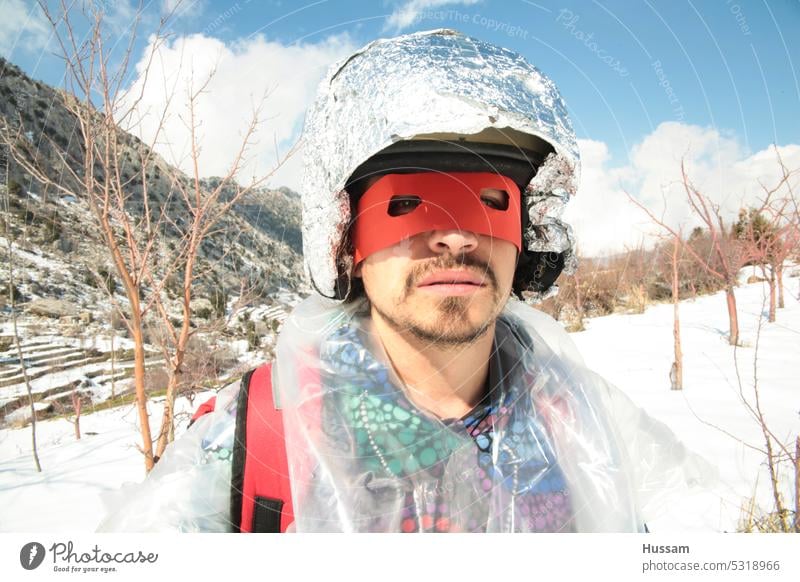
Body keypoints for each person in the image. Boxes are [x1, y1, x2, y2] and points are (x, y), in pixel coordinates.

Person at [97, 29, 713, 533]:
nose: (455, 237)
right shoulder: (262, 435)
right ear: (346, 243)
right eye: (407, 203)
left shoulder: (576, 416)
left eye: (489, 201)